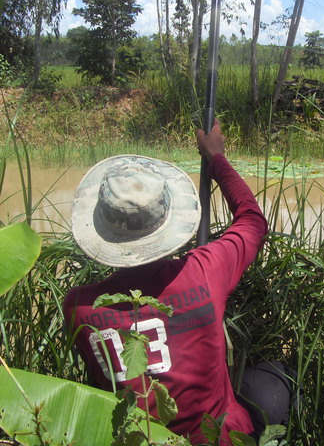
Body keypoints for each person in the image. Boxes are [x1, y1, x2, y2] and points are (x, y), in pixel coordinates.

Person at [64, 120, 276, 444]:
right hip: (220, 437)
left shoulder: (79, 307)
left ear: (102, 229)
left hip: (139, 439)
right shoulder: (206, 270)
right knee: (273, 382)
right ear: (167, 221)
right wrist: (217, 157)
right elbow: (252, 220)